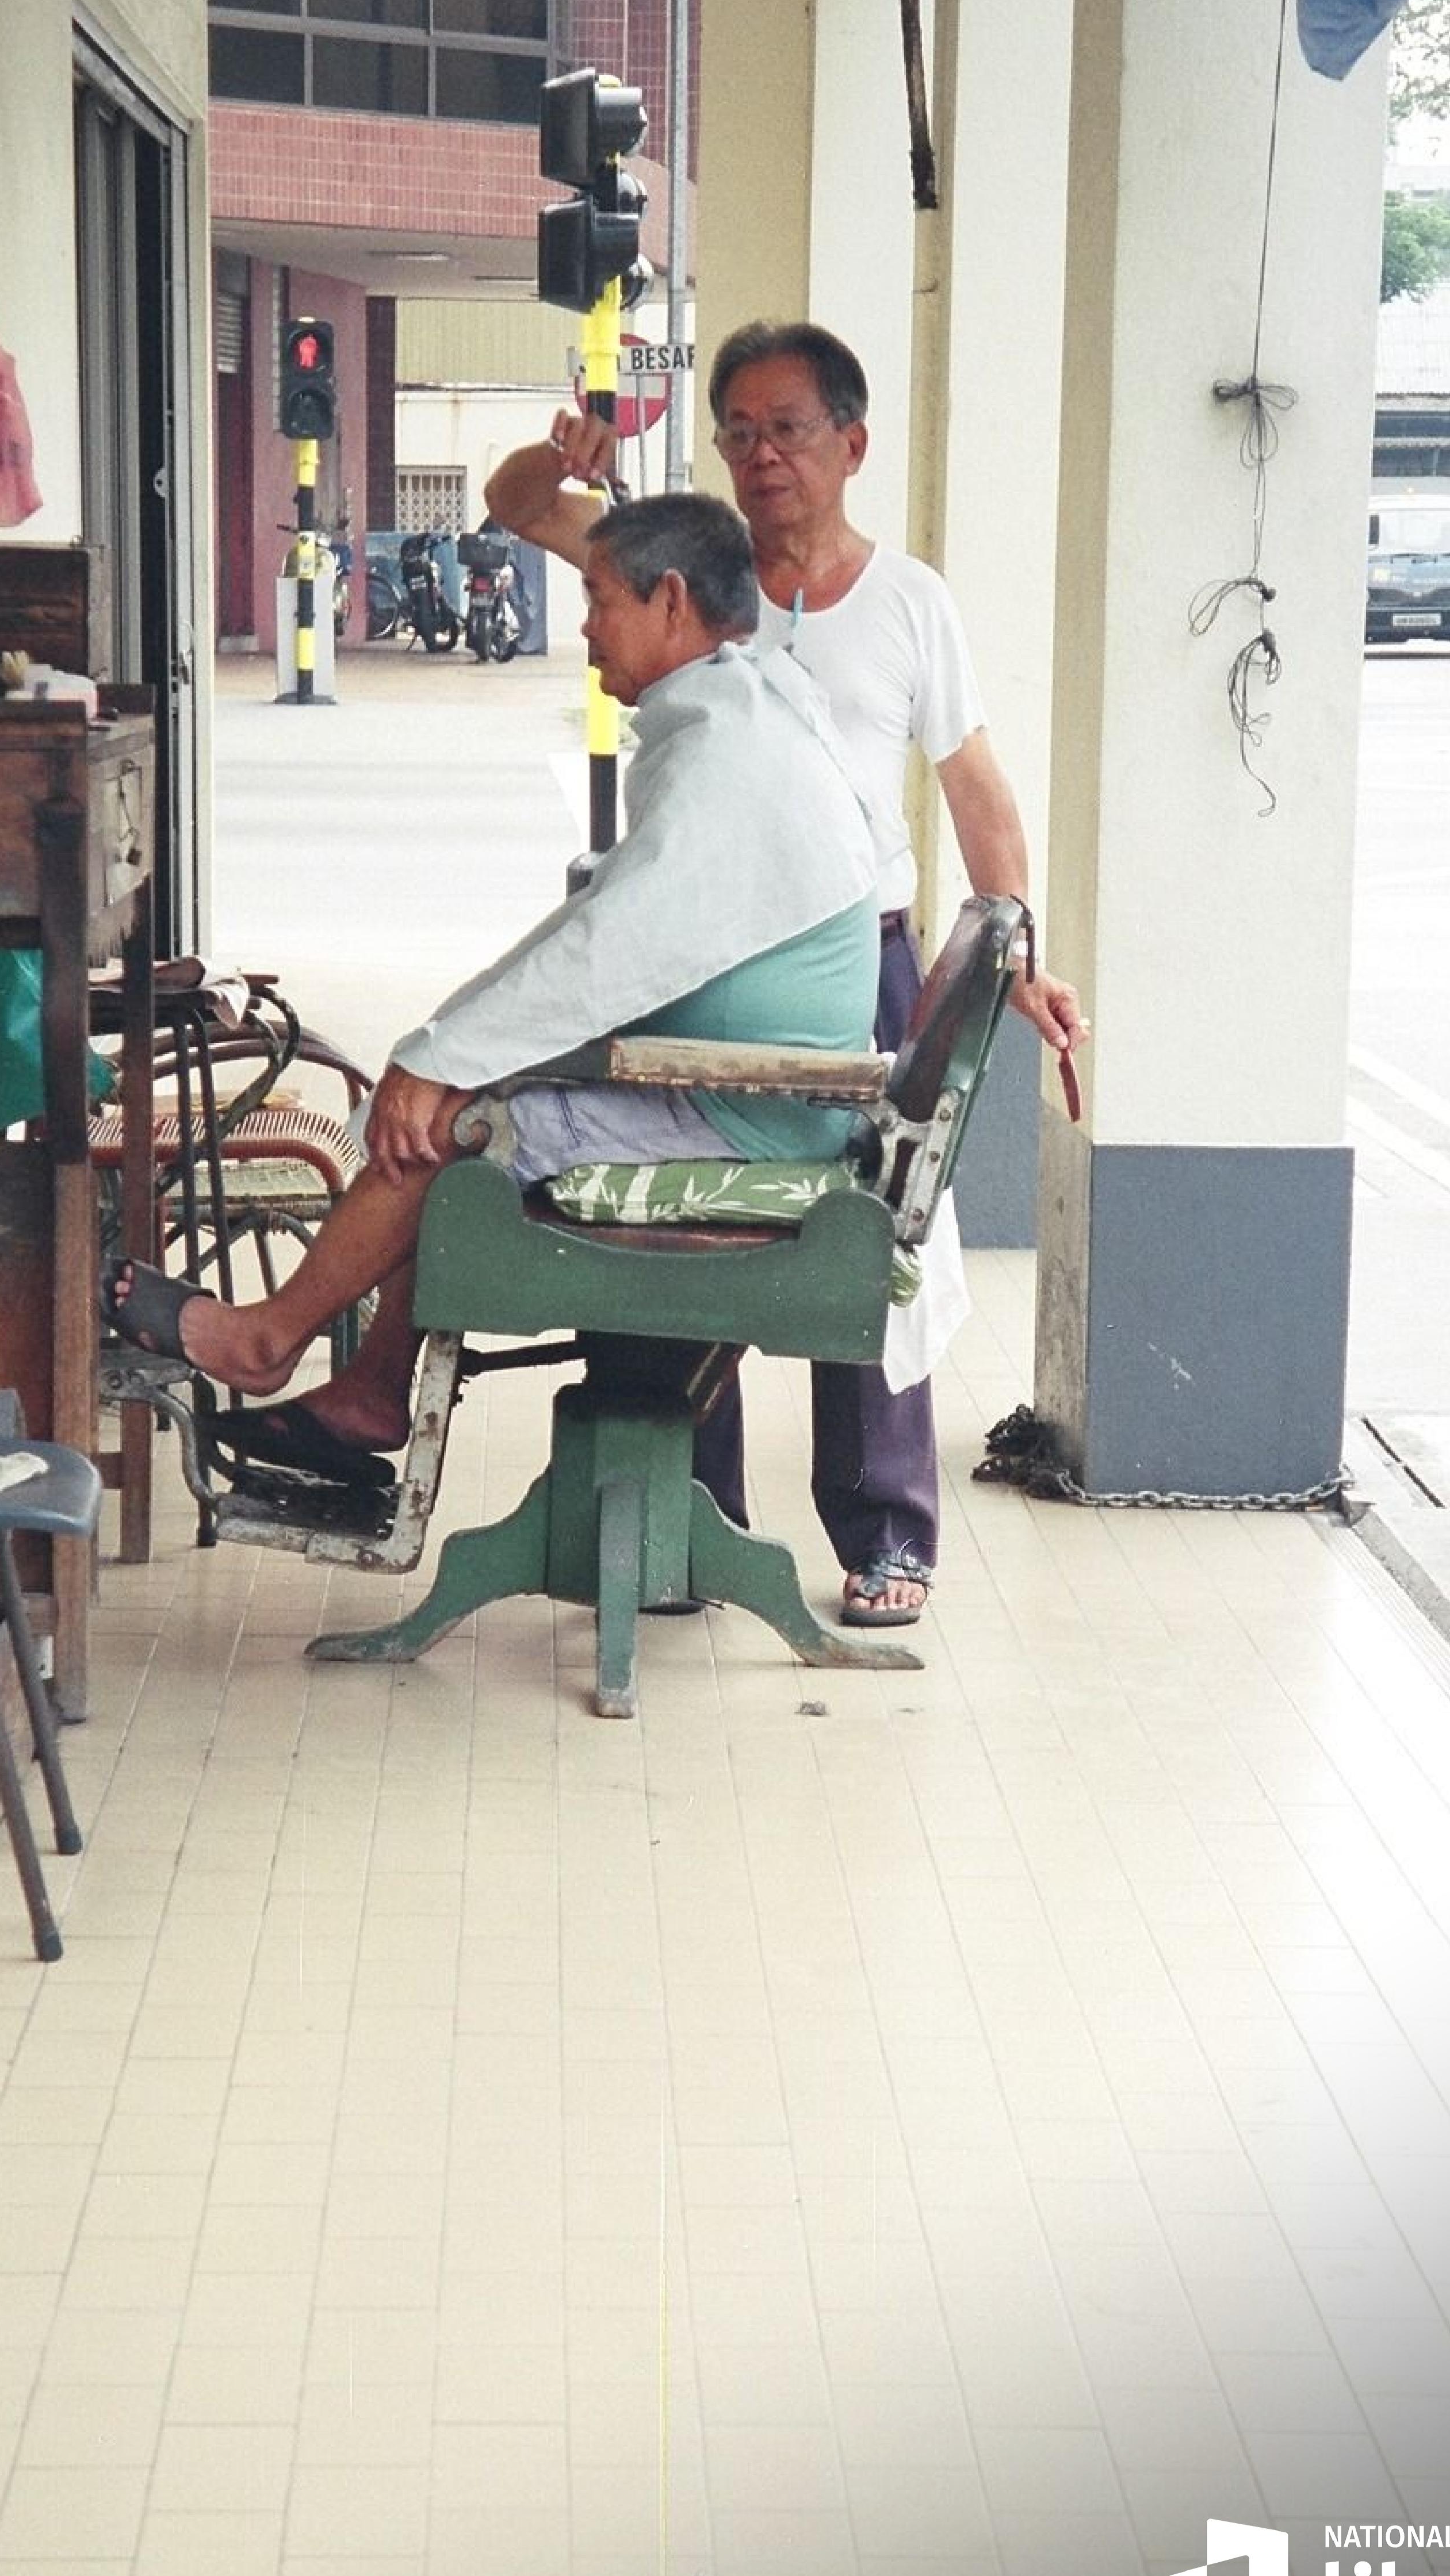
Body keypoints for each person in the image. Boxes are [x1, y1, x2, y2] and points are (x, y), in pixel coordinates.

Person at [484, 321, 1086, 1626]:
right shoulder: (681, 571)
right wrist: (563, 454)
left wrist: (1017, 950)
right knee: (668, 1238)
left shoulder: (909, 602)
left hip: (861, 962)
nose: (760, 458)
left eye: (788, 431)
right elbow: (519, 505)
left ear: (850, 445)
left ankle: (885, 1531)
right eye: (737, 432)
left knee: (864, 1250)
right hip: (696, 961)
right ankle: (683, 1527)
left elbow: (973, 785)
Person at [103, 494, 881, 1445]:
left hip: (751, 1117)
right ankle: (372, 1390)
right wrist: (441, 1044)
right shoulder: (741, 714)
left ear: (670, 601)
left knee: (454, 1124)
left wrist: (444, 1063)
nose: (587, 626)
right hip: (739, 1091)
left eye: (600, 601)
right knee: (452, 1085)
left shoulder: (731, 750)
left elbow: (607, 956)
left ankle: (272, 1340)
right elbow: (604, 932)